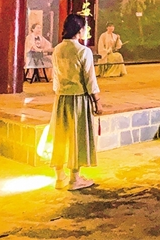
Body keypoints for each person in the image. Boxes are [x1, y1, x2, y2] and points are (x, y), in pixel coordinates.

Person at [50, 14, 103, 191]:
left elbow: (55, 76)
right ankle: (75, 178)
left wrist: (59, 92)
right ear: (79, 30)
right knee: (77, 137)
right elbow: (90, 79)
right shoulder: (83, 51)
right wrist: (97, 101)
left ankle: (59, 177)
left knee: (60, 136)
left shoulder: (57, 49)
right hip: (78, 98)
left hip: (61, 98)